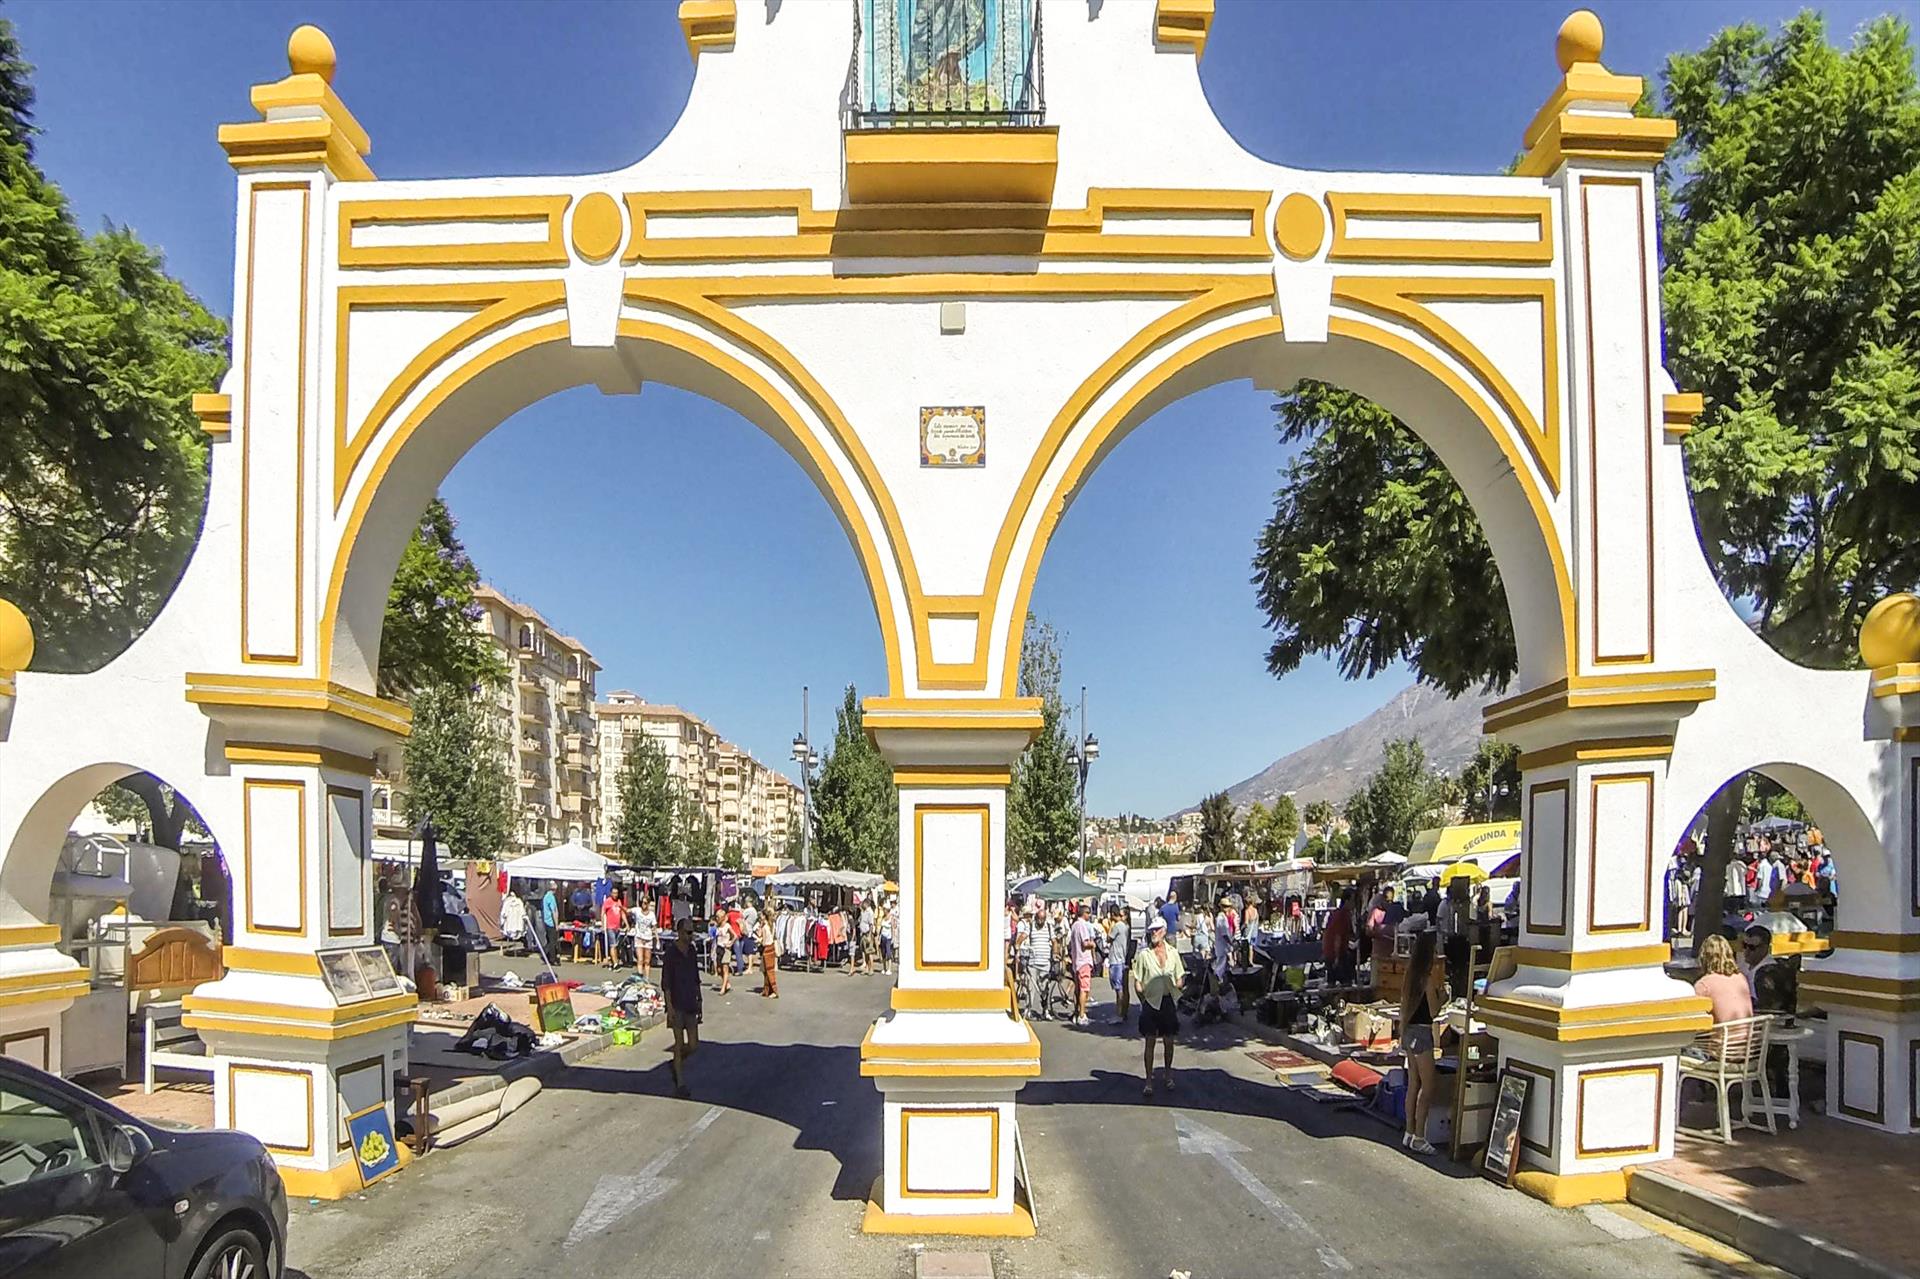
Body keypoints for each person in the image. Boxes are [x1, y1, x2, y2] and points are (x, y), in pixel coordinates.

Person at [1399, 928, 1446, 1156]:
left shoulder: (1410, 976)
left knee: (1413, 1084)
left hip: (1409, 1031)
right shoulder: (1426, 979)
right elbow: (1434, 1011)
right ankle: (1419, 1136)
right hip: (1421, 1033)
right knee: (1428, 1087)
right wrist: (1442, 997)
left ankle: (1409, 1132)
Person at [1130, 916, 1184, 1097]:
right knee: (1150, 1042)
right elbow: (1137, 981)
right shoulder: (1144, 955)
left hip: (1167, 1001)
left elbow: (1180, 977)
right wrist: (1143, 998)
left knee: (1169, 1041)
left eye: (1157, 929)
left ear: (1164, 931)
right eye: (1152, 930)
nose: (1153, 932)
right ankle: (1148, 1081)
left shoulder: (1173, 953)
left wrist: (1177, 987)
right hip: (1151, 1003)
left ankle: (1168, 1075)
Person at [660, 917, 703, 1098]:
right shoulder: (671, 953)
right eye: (688, 932)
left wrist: (700, 1000)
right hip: (676, 1004)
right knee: (678, 1043)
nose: (691, 936)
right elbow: (666, 982)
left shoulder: (691, 951)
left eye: (692, 932)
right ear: (679, 932)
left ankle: (675, 1063)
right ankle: (680, 1082)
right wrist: (669, 1006)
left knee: (693, 1045)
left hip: (690, 1002)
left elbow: (695, 977)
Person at [1692, 934, 1753, 1027]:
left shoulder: (1704, 984)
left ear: (1703, 957)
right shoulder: (1741, 978)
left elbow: (1694, 1016)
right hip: (1748, 1035)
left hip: (1721, 1035)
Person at [1068, 904, 1098, 1025]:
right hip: (1084, 960)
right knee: (1084, 989)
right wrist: (1093, 944)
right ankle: (1081, 1015)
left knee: (1078, 988)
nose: (1089, 915)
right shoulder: (1082, 926)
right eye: (1088, 913)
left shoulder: (1074, 925)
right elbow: (1085, 944)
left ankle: (1077, 1013)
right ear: (1084, 913)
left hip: (1076, 960)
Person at [1024, 904, 1055, 1020]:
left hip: (1045, 962)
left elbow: (1054, 941)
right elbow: (1023, 935)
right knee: (1030, 988)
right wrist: (1017, 944)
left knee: (1044, 988)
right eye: (1039, 919)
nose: (1040, 921)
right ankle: (1028, 1010)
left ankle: (1045, 1010)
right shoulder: (1030, 926)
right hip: (1033, 962)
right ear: (1036, 918)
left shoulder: (1049, 927)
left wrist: (1055, 953)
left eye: (1043, 919)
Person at [1106, 905, 1133, 1025]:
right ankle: (1123, 1012)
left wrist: (1111, 924)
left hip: (1116, 959)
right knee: (1123, 988)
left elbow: (1108, 938)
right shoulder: (1126, 927)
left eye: (1121, 915)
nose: (1119, 917)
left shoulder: (1117, 926)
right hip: (1122, 959)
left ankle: (1119, 1013)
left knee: (1118, 989)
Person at [1323, 889, 1355, 985]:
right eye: (1353, 901)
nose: (1354, 904)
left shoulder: (1341, 913)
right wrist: (1336, 957)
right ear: (1347, 901)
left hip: (1335, 951)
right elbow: (1338, 937)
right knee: (1346, 981)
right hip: (1335, 952)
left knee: (1334, 981)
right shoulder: (1342, 915)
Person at [756, 905, 778, 998]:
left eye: (762, 915)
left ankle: (774, 991)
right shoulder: (771, 925)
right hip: (771, 947)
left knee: (768, 971)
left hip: (767, 948)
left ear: (765, 916)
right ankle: (767, 990)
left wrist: (759, 940)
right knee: (768, 970)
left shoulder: (765, 927)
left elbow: (764, 941)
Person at [600, 890, 627, 968]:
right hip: (610, 927)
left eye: (616, 893)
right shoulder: (608, 901)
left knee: (616, 945)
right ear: (611, 893)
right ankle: (615, 963)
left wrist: (627, 924)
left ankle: (614, 960)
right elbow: (602, 913)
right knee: (613, 945)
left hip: (617, 927)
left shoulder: (619, 901)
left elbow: (622, 913)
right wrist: (603, 925)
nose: (615, 895)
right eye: (614, 893)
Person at [713, 910, 734, 995]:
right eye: (716, 917)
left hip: (726, 949)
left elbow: (735, 936)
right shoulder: (717, 927)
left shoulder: (727, 926)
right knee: (719, 969)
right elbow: (715, 937)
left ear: (722, 918)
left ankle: (723, 988)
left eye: (718, 917)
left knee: (725, 969)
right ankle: (727, 983)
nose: (716, 918)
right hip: (719, 948)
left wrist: (730, 943)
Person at [540, 882, 561, 963]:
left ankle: (547, 956)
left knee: (549, 940)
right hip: (551, 922)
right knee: (553, 942)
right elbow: (554, 911)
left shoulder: (546, 896)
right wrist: (556, 924)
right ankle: (552, 959)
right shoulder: (551, 898)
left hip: (546, 921)